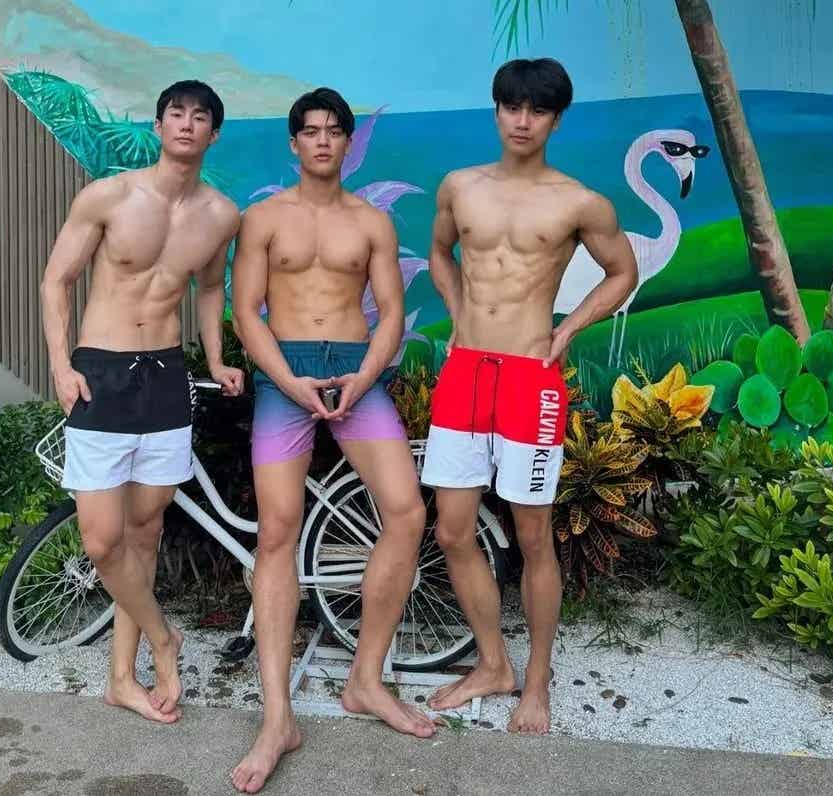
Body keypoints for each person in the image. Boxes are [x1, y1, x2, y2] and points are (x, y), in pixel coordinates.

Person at [421, 58, 639, 735]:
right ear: (496, 111)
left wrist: (568, 328)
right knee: (452, 529)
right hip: (466, 372)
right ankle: (494, 664)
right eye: (512, 107)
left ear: (556, 120)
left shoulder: (579, 202)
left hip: (529, 378)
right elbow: (439, 253)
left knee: (533, 534)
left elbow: (622, 271)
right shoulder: (460, 186)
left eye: (537, 110)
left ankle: (536, 679)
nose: (522, 121)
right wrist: (457, 314)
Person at [230, 87, 433, 794]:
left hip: (356, 372)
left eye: (334, 130)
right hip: (284, 374)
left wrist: (362, 376)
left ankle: (364, 681)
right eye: (310, 131)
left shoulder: (371, 222)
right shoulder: (263, 219)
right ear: (294, 143)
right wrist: (289, 382)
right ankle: (277, 718)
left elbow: (392, 313)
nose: (322, 140)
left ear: (348, 142)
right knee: (277, 530)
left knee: (406, 513)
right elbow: (246, 312)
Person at [40, 79, 244, 725]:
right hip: (100, 373)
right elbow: (57, 280)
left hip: (164, 375)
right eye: (175, 114)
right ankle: (164, 638)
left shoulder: (222, 215)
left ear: (213, 133)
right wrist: (60, 366)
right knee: (103, 541)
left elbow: (208, 289)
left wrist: (215, 358)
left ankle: (121, 679)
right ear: (158, 126)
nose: (186, 124)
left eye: (200, 117)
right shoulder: (108, 196)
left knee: (144, 532)